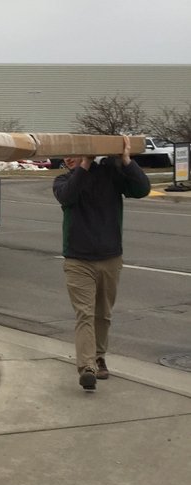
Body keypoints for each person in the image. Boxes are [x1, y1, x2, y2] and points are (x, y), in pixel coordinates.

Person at [53, 137, 150, 391]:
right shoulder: (63, 181)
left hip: (110, 256)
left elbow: (142, 189)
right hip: (77, 259)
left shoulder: (110, 174)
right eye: (67, 156)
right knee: (85, 313)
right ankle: (87, 367)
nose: (68, 159)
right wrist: (83, 166)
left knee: (103, 314)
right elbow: (68, 196)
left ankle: (98, 356)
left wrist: (126, 161)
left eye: (74, 154)